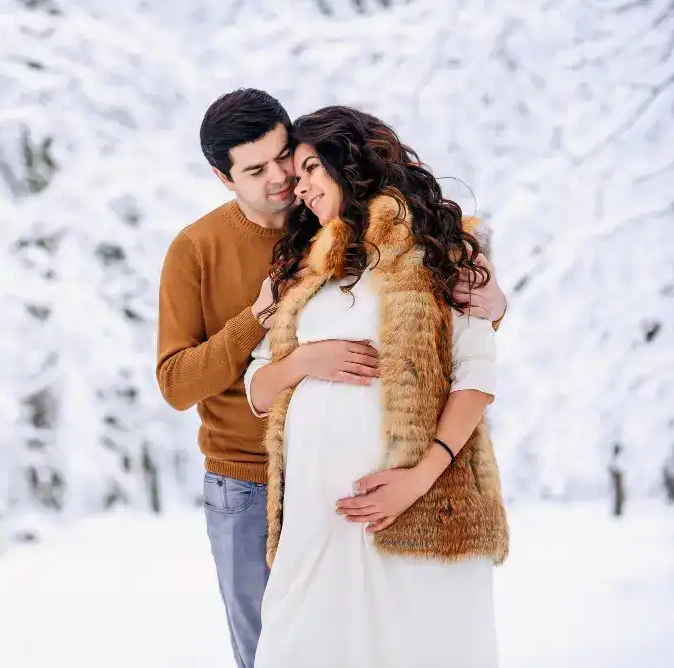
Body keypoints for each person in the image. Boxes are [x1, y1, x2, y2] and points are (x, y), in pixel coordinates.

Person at [155, 89, 507, 668]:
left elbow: (456, 346)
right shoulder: (204, 249)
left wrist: (493, 304)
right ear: (224, 178)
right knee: (268, 649)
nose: (284, 178)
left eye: (289, 158)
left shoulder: (340, 227)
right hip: (250, 483)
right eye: (258, 169)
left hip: (372, 491)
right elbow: (180, 383)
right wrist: (272, 333)